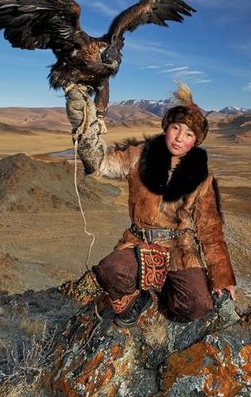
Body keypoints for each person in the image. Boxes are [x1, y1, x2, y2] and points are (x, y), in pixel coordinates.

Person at [66, 82, 236, 327]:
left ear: (195, 141)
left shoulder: (203, 179)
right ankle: (139, 296)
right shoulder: (138, 155)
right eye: (176, 128)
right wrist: (85, 128)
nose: (179, 137)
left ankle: (164, 289)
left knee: (198, 305)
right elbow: (101, 163)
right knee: (109, 271)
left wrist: (222, 278)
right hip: (139, 241)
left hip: (181, 249)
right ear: (166, 128)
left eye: (189, 134)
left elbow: (210, 230)